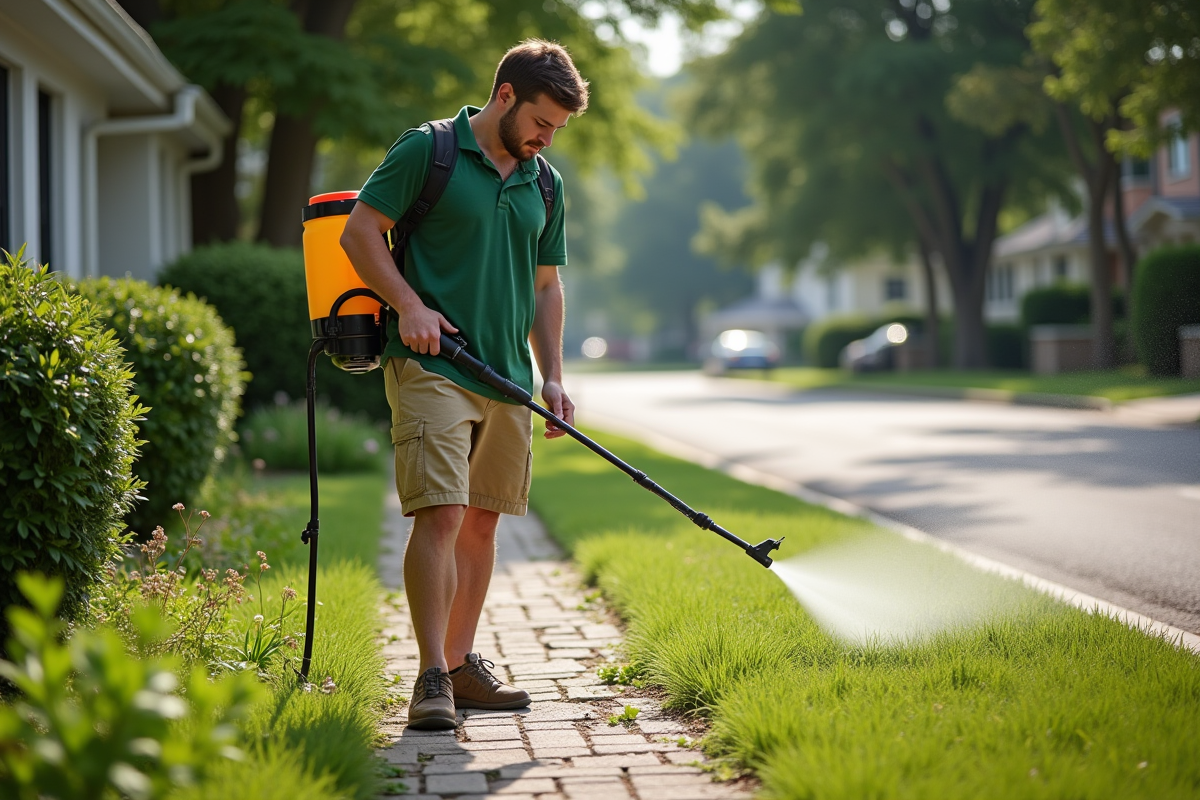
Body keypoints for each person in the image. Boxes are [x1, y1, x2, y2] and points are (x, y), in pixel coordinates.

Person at [340, 39, 587, 730]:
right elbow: (361, 233)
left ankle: (459, 665)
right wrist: (408, 306)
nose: (547, 138)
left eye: (558, 129)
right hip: (434, 365)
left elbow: (546, 285)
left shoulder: (545, 182)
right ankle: (428, 678)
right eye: (541, 122)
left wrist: (553, 376)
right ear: (505, 95)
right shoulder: (430, 150)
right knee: (442, 514)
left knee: (482, 520)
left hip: (507, 376)